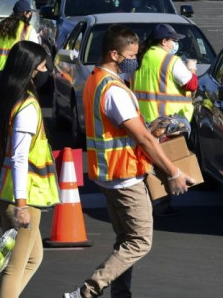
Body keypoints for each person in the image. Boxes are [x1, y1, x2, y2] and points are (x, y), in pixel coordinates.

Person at [63, 25, 194, 298]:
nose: (135, 60)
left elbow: (127, 131)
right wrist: (173, 172)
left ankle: (121, 294)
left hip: (108, 174)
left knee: (125, 240)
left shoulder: (96, 79)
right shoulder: (114, 90)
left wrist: (151, 129)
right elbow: (143, 140)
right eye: (131, 55)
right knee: (140, 242)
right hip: (124, 176)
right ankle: (86, 292)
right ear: (114, 54)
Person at [0, 41, 59, 298]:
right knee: (13, 268)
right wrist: (22, 205)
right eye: (42, 65)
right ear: (31, 68)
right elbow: (20, 158)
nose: (46, 70)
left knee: (34, 257)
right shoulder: (27, 106)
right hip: (21, 199)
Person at [132, 23, 198, 216]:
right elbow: (191, 84)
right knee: (164, 163)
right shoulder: (171, 61)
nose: (175, 43)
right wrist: (192, 69)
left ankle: (151, 203)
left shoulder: (139, 58)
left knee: (149, 164)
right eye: (173, 40)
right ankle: (160, 204)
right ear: (164, 41)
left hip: (142, 120)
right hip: (166, 122)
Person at [0, 0, 39, 81]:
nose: (31, 14)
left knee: (3, 93)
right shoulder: (28, 28)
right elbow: (35, 51)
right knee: (16, 93)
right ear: (25, 13)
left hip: (0, 68)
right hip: (19, 69)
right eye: (29, 12)